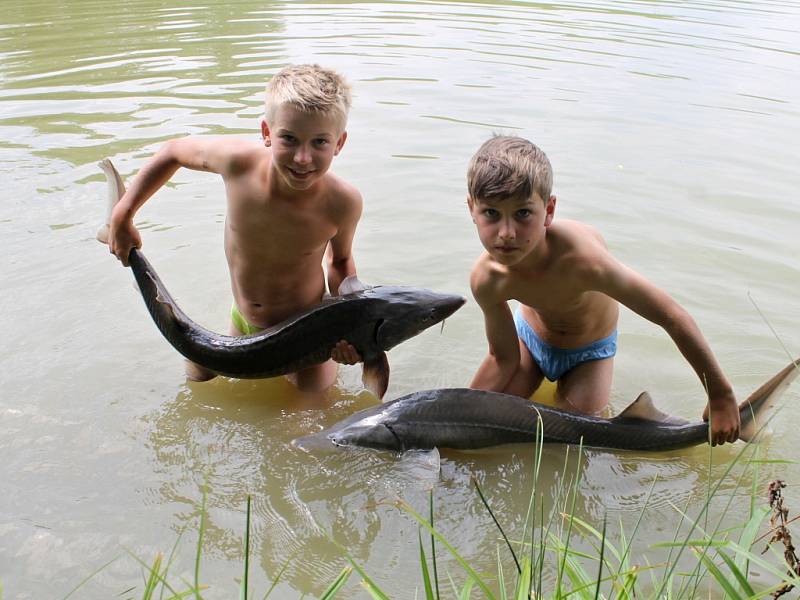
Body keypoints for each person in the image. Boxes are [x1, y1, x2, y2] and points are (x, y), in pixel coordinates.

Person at [465, 135, 740, 446]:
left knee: (575, 444)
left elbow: (672, 316)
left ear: (549, 210)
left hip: (588, 354)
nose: (507, 233)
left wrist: (719, 394)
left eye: (523, 213)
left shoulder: (585, 264)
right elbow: (502, 358)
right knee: (485, 425)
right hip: (530, 340)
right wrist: (455, 415)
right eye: (491, 213)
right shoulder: (486, 279)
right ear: (472, 209)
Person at [108, 63, 362, 391]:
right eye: (289, 138)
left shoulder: (342, 202)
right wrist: (123, 215)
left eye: (319, 143)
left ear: (339, 143)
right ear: (267, 133)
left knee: (312, 415)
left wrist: (350, 328)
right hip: (242, 320)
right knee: (197, 384)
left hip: (305, 332)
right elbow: (173, 151)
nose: (302, 157)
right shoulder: (238, 162)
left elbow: (340, 262)